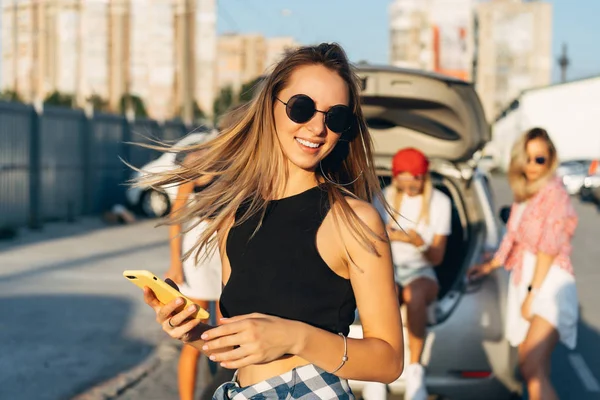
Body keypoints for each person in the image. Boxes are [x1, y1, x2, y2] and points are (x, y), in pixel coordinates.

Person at [139, 43, 404, 399]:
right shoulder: (234, 217)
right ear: (270, 107)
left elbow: (388, 362)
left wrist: (294, 337)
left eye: (335, 116)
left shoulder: (354, 220)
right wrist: (192, 333)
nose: (317, 127)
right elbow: (239, 352)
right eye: (302, 108)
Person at [468, 127, 578, 400]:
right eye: (527, 158)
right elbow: (513, 238)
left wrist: (532, 294)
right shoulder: (525, 194)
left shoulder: (553, 193)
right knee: (536, 370)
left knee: (529, 361)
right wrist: (491, 265)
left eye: (539, 159)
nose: (532, 165)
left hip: (549, 283)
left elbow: (548, 249)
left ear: (550, 159)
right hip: (528, 279)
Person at [366, 148, 451, 400]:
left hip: (423, 270)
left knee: (414, 294)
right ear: (396, 177)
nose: (412, 184)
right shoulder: (383, 198)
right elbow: (369, 248)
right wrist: (386, 237)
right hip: (388, 269)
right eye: (405, 178)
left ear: (424, 176)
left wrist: (417, 242)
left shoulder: (439, 203)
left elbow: (437, 258)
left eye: (416, 178)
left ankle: (415, 373)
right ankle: (377, 373)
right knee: (385, 294)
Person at [164, 152, 225, 400]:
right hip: (197, 253)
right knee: (192, 334)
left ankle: (223, 392)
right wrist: (175, 263)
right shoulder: (195, 168)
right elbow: (175, 218)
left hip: (223, 250)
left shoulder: (232, 166)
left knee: (226, 334)